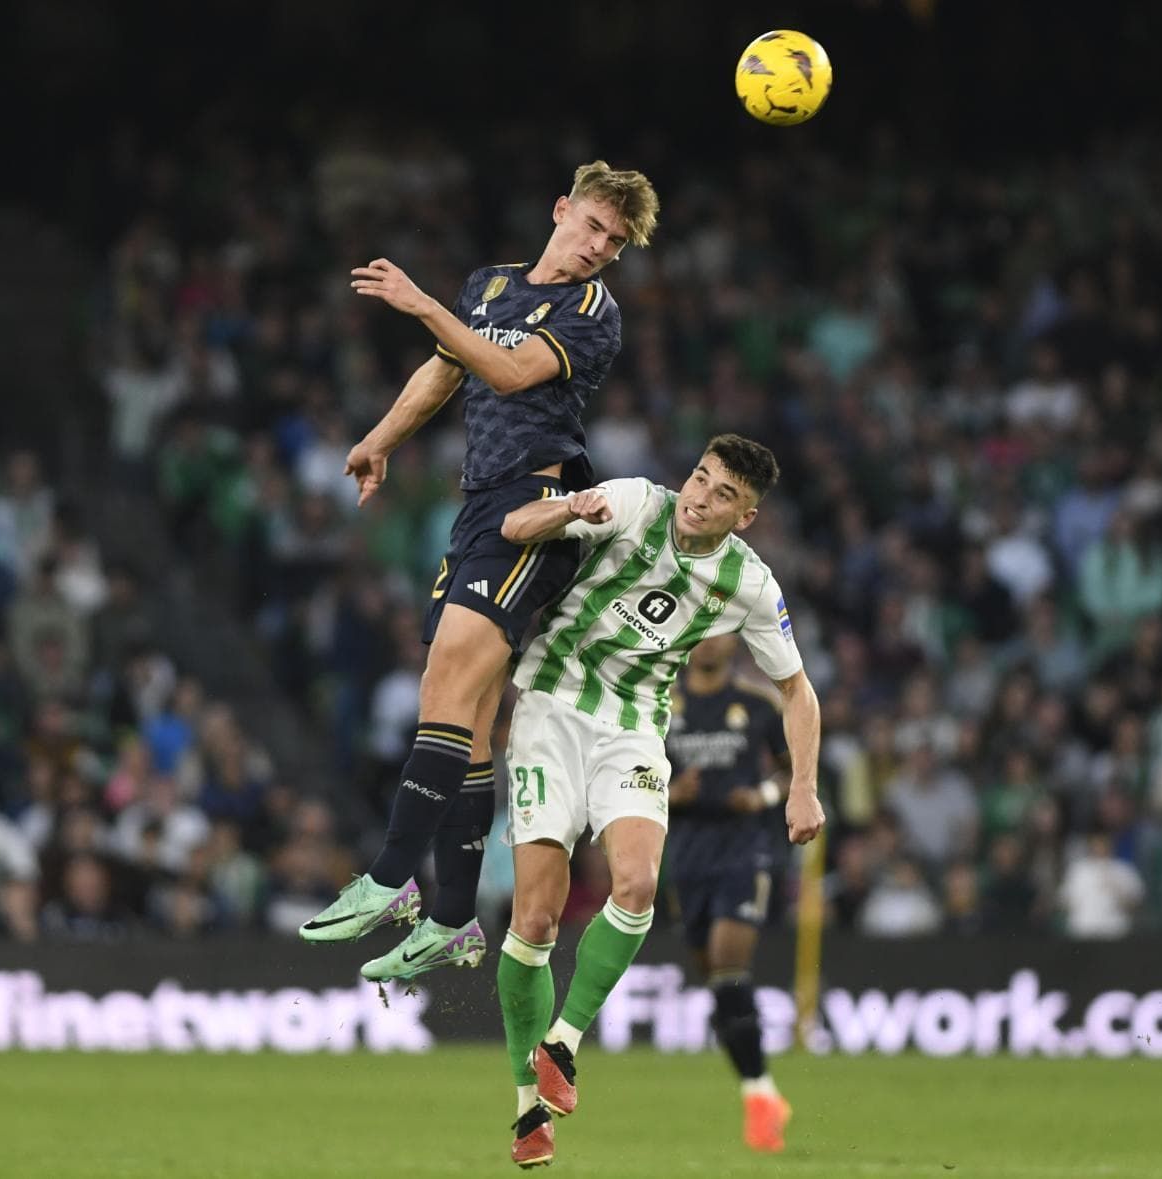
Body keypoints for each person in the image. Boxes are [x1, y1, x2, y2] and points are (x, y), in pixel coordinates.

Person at [297, 162, 661, 970]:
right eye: (593, 225)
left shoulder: (594, 312)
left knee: (442, 690)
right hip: (480, 510)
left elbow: (507, 369)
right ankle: (453, 920)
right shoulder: (491, 286)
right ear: (561, 208)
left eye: (616, 240)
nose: (600, 246)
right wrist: (381, 440)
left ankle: (391, 877)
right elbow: (444, 368)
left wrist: (423, 302)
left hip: (538, 508)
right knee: (463, 728)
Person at [430, 435, 823, 1167]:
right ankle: (526, 1108)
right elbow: (513, 527)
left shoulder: (749, 583)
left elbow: (797, 689)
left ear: (746, 516)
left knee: (638, 884)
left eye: (722, 494)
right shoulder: (638, 501)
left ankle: (564, 1043)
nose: (701, 496)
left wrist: (802, 786)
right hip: (549, 709)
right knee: (536, 918)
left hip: (635, 729)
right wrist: (564, 512)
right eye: (701, 477)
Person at [663, 631, 798, 1151]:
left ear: (734, 640)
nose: (709, 643)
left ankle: (761, 1098)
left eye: (721, 632)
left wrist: (760, 795)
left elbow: (794, 772)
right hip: (688, 857)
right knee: (718, 986)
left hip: (745, 853)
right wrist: (671, 793)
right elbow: (631, 775)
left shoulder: (757, 704)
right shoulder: (659, 701)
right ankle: (759, 1091)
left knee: (727, 963)